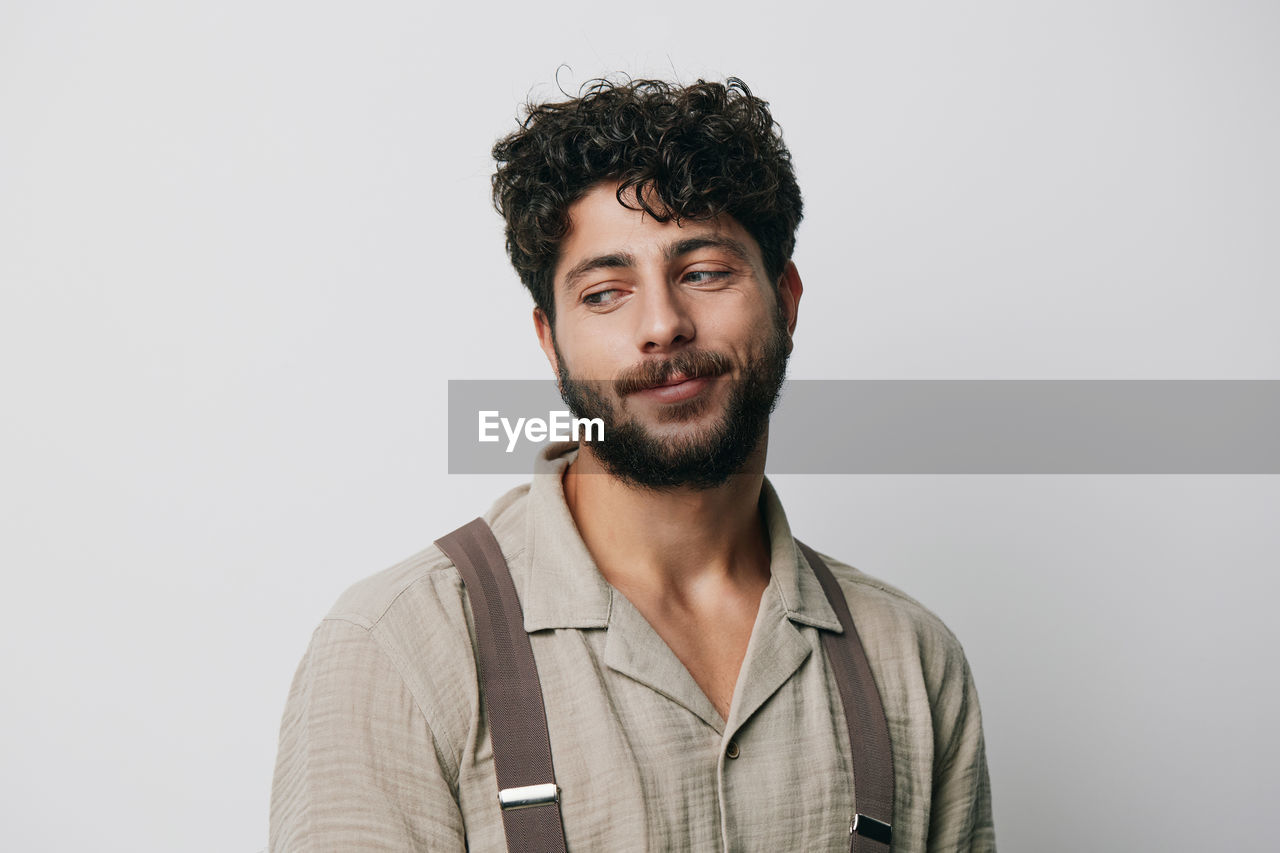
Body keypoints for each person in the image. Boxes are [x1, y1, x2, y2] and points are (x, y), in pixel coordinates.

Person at [270, 76, 995, 852]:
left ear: (786, 298)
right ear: (550, 342)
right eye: (607, 291)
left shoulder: (911, 661)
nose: (662, 325)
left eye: (704, 272)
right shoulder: (399, 650)